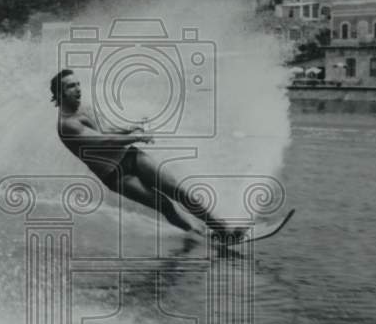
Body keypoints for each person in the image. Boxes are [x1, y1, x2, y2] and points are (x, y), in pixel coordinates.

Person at [50, 68, 239, 237]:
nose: (78, 89)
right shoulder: (67, 125)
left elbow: (106, 131)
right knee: (165, 205)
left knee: (179, 191)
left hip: (131, 156)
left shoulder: (84, 108)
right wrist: (137, 138)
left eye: (78, 84)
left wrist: (129, 128)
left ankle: (221, 228)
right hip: (116, 175)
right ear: (60, 93)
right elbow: (105, 142)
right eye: (70, 87)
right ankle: (198, 234)